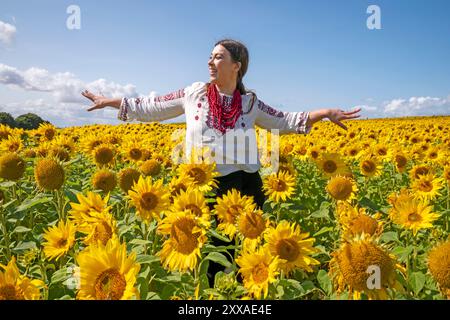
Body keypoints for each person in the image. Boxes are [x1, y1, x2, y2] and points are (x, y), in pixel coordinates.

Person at [81, 38, 361, 286]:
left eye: (218, 57)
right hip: (206, 187)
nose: (210, 62)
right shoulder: (195, 93)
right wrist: (109, 101)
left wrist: (324, 112)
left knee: (246, 254)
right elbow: (151, 105)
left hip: (247, 185)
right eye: (210, 56)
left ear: (236, 66)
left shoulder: (250, 103)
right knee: (212, 253)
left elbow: (284, 120)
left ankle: (247, 297)